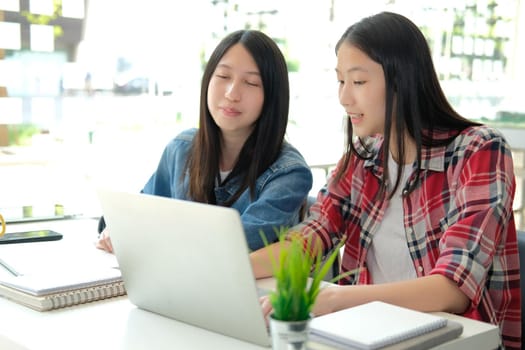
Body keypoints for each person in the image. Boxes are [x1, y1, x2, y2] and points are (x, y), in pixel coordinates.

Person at [250, 12, 520, 350]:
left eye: (358, 82)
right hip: (370, 335)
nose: (344, 98)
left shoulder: (479, 150)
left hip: (458, 340)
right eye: (340, 81)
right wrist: (233, 269)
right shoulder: (362, 157)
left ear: (401, 80)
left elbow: (451, 290)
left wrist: (335, 299)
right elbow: (310, 239)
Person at [96, 30, 313, 253]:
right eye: (223, 76)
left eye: (250, 82)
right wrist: (117, 230)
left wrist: (149, 235)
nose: (232, 93)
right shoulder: (181, 149)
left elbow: (235, 245)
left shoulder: (289, 173)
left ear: (273, 96)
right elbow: (140, 212)